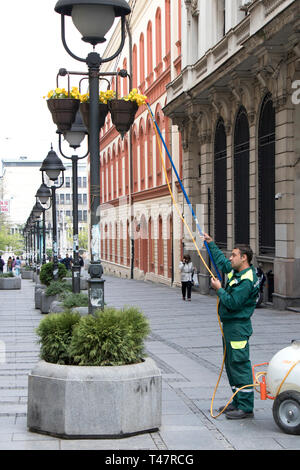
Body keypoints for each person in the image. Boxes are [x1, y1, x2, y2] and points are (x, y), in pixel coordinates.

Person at [203, 232, 259, 420]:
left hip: (238, 327)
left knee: (240, 365)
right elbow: (222, 262)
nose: (230, 258)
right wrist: (211, 243)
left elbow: (234, 303)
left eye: (234, 255)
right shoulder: (237, 271)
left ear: (244, 258)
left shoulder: (246, 280)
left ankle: (246, 407)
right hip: (230, 327)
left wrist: (219, 290)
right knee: (231, 365)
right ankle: (237, 400)